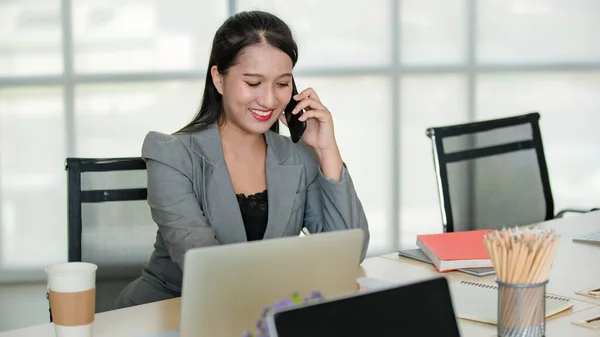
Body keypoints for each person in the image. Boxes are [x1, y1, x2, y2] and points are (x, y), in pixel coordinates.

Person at [115, 10, 369, 309]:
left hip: (258, 315)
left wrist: (326, 150)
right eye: (253, 83)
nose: (270, 100)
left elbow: (348, 254)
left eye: (282, 84)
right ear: (218, 79)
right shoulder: (171, 154)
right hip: (171, 311)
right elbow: (208, 268)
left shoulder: (298, 156)